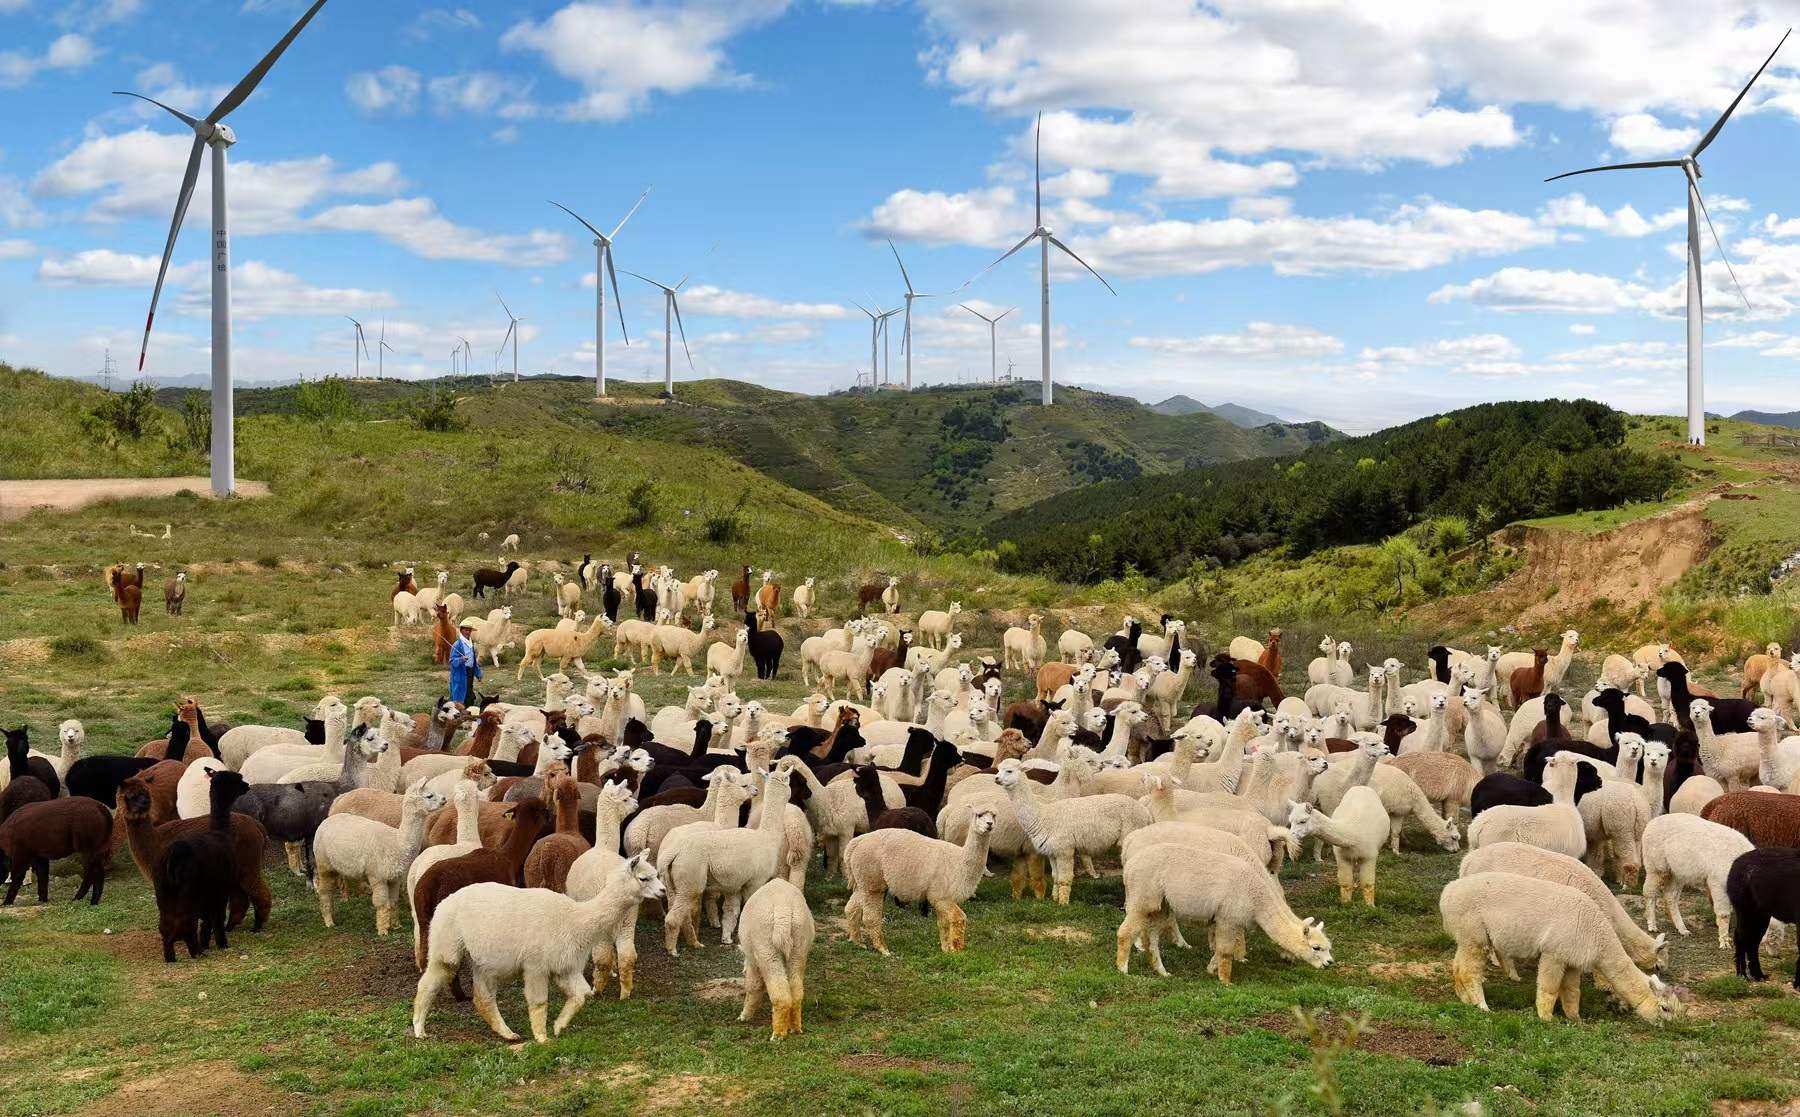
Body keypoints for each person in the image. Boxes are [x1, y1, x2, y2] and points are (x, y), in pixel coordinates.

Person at [449, 618, 482, 704]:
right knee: (460, 693)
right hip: (460, 674)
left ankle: (468, 708)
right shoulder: (457, 645)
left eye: (469, 630)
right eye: (466, 630)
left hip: (470, 672)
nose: (468, 632)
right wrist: (461, 660)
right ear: (461, 630)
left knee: (469, 691)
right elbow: (452, 661)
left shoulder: (471, 644)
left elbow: (473, 661)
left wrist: (478, 673)